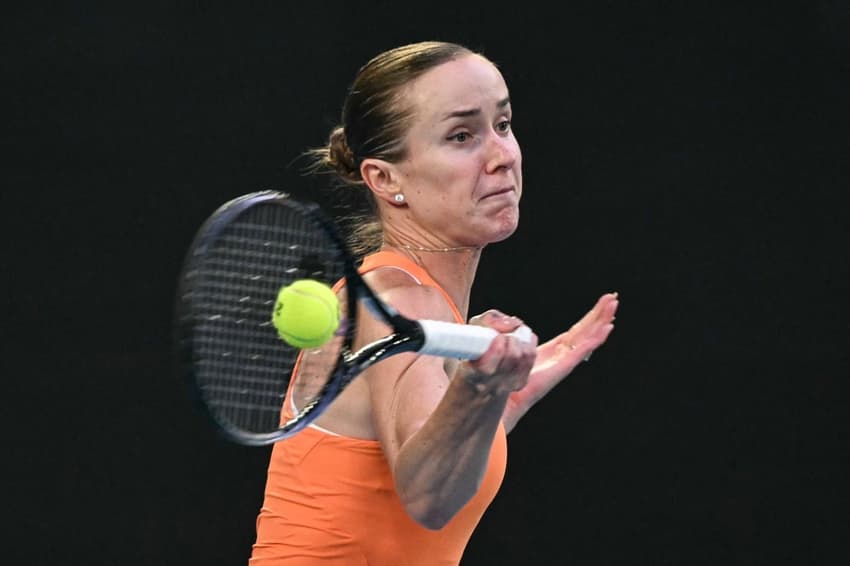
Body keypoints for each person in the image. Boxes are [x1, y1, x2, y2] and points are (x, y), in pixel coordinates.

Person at [249, 40, 619, 565]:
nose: (501, 156)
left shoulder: (400, 298)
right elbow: (429, 496)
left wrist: (501, 396)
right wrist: (477, 389)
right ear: (386, 178)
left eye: (504, 124)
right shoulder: (398, 301)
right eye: (461, 136)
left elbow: (428, 445)